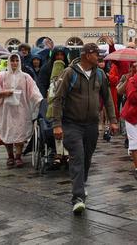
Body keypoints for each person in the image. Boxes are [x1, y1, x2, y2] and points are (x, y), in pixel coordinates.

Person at [51, 42, 119, 215]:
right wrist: (57, 125)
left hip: (91, 125)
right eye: (97, 54)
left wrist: (113, 120)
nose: (99, 57)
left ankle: (80, 184)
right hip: (72, 124)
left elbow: (108, 98)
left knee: (87, 158)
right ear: (87, 55)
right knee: (78, 157)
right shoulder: (69, 73)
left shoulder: (100, 75)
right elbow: (58, 100)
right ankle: (78, 197)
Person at [0, 53, 43, 168]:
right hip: (6, 110)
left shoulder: (26, 77)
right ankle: (10, 156)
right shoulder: (1, 76)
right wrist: (4, 93)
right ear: (8, 61)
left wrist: (41, 102)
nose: (14, 63)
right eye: (12, 61)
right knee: (7, 131)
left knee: (20, 132)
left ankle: (18, 156)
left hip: (21, 109)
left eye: (17, 60)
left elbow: (33, 91)